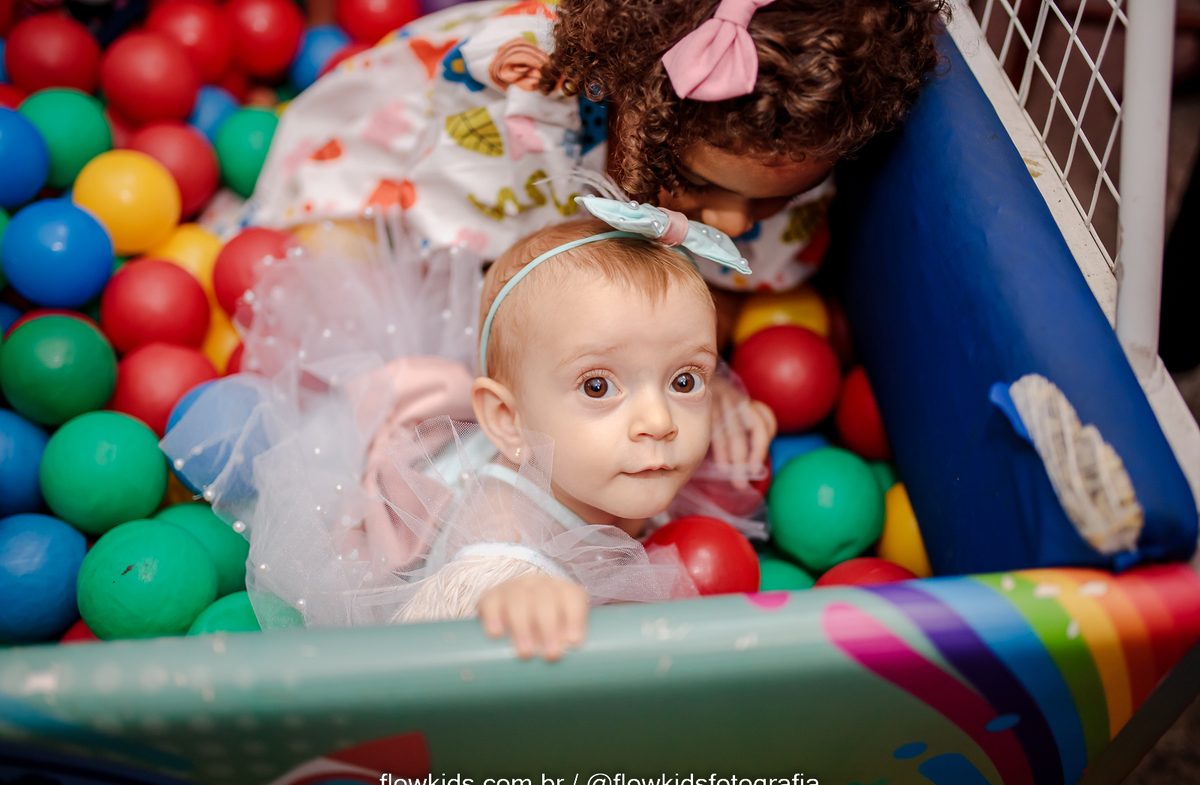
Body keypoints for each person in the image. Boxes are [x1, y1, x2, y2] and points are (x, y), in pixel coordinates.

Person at [242, 0, 945, 464]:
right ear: (632, 99)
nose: (733, 222)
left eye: (775, 198)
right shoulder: (531, 91)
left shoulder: (774, 144)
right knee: (335, 270)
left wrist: (705, 377)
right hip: (486, 183)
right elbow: (481, 243)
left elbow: (714, 287)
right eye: (697, 182)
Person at [162, 199, 766, 660]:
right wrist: (513, 597)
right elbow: (444, 618)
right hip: (419, 513)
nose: (659, 421)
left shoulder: (612, 456)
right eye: (597, 387)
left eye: (684, 380)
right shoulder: (501, 539)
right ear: (508, 420)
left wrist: (731, 403)